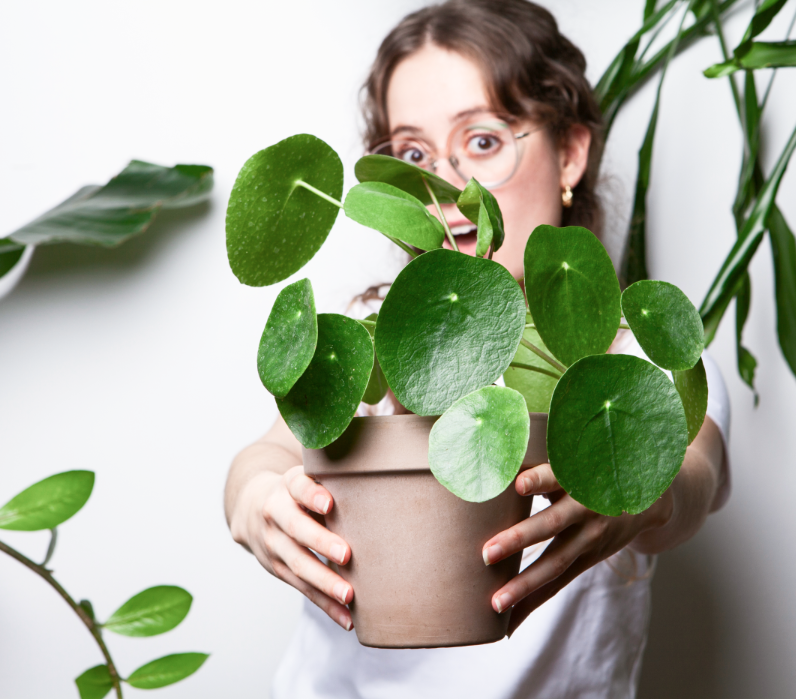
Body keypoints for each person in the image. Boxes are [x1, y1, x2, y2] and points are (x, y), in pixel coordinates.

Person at [225, 1, 730, 696]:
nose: (449, 187)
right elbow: (269, 454)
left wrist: (646, 490)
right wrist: (255, 501)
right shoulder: (365, 330)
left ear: (571, 153)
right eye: (413, 154)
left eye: (484, 141)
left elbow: (700, 474)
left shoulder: (639, 356)